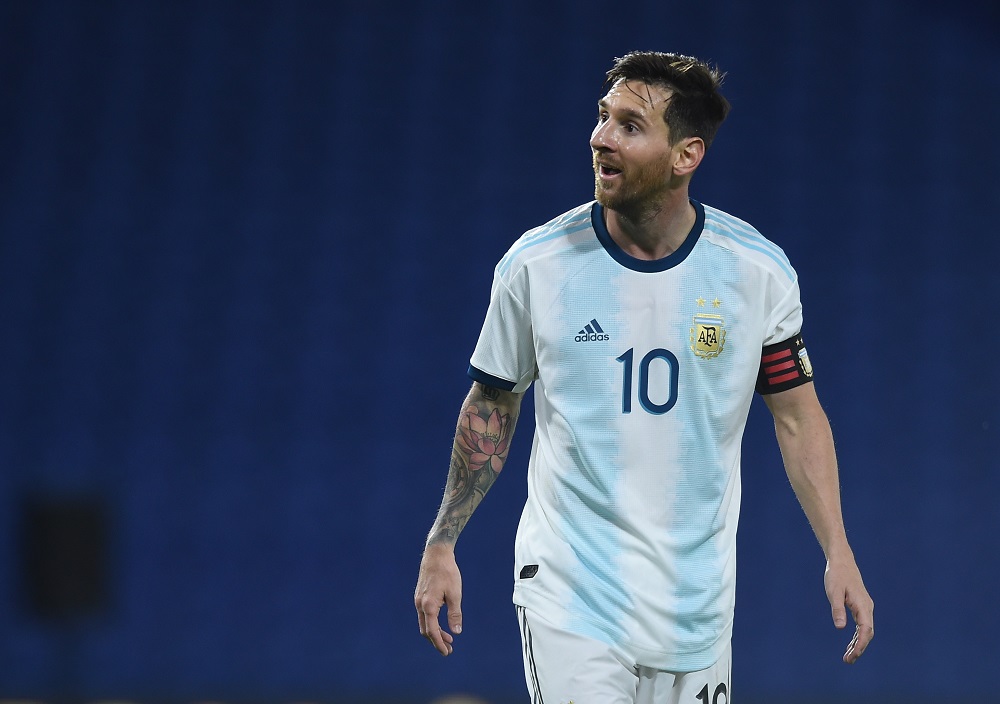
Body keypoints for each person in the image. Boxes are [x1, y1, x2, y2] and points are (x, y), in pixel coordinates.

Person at [414, 50, 874, 703]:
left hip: (699, 610)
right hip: (571, 595)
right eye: (603, 118)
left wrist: (838, 550)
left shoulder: (757, 274)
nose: (601, 136)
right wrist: (443, 540)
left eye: (629, 125)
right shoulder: (536, 266)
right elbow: (491, 404)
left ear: (686, 156)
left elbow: (799, 416)